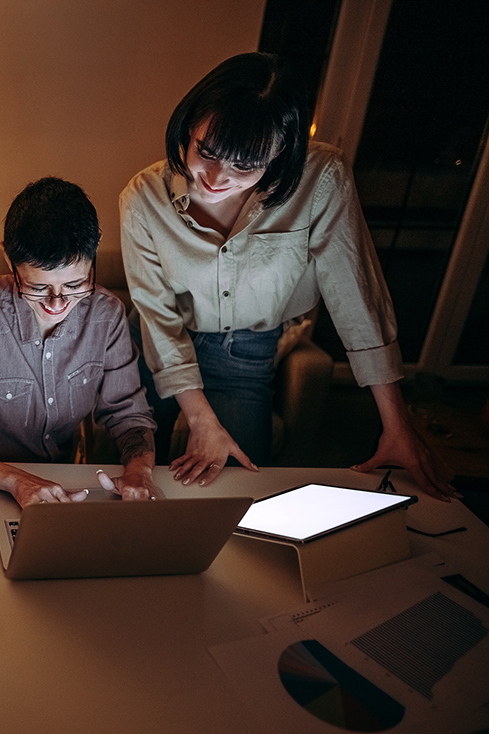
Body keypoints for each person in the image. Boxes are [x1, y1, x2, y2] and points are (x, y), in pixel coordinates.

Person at [118, 52, 456, 500]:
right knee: (129, 476)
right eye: (207, 152)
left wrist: (397, 424)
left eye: (245, 165)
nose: (216, 179)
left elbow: (355, 294)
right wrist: (200, 419)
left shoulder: (322, 179)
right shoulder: (143, 197)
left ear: (282, 153)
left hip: (248, 351)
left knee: (243, 493)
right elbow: (156, 317)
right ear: (188, 125)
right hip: (153, 344)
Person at [0, 177, 159, 507]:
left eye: (75, 284)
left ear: (95, 249)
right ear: (9, 260)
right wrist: (15, 480)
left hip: (61, 484)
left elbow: (130, 416)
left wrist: (140, 471)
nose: (57, 303)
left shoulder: (106, 316)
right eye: (38, 288)